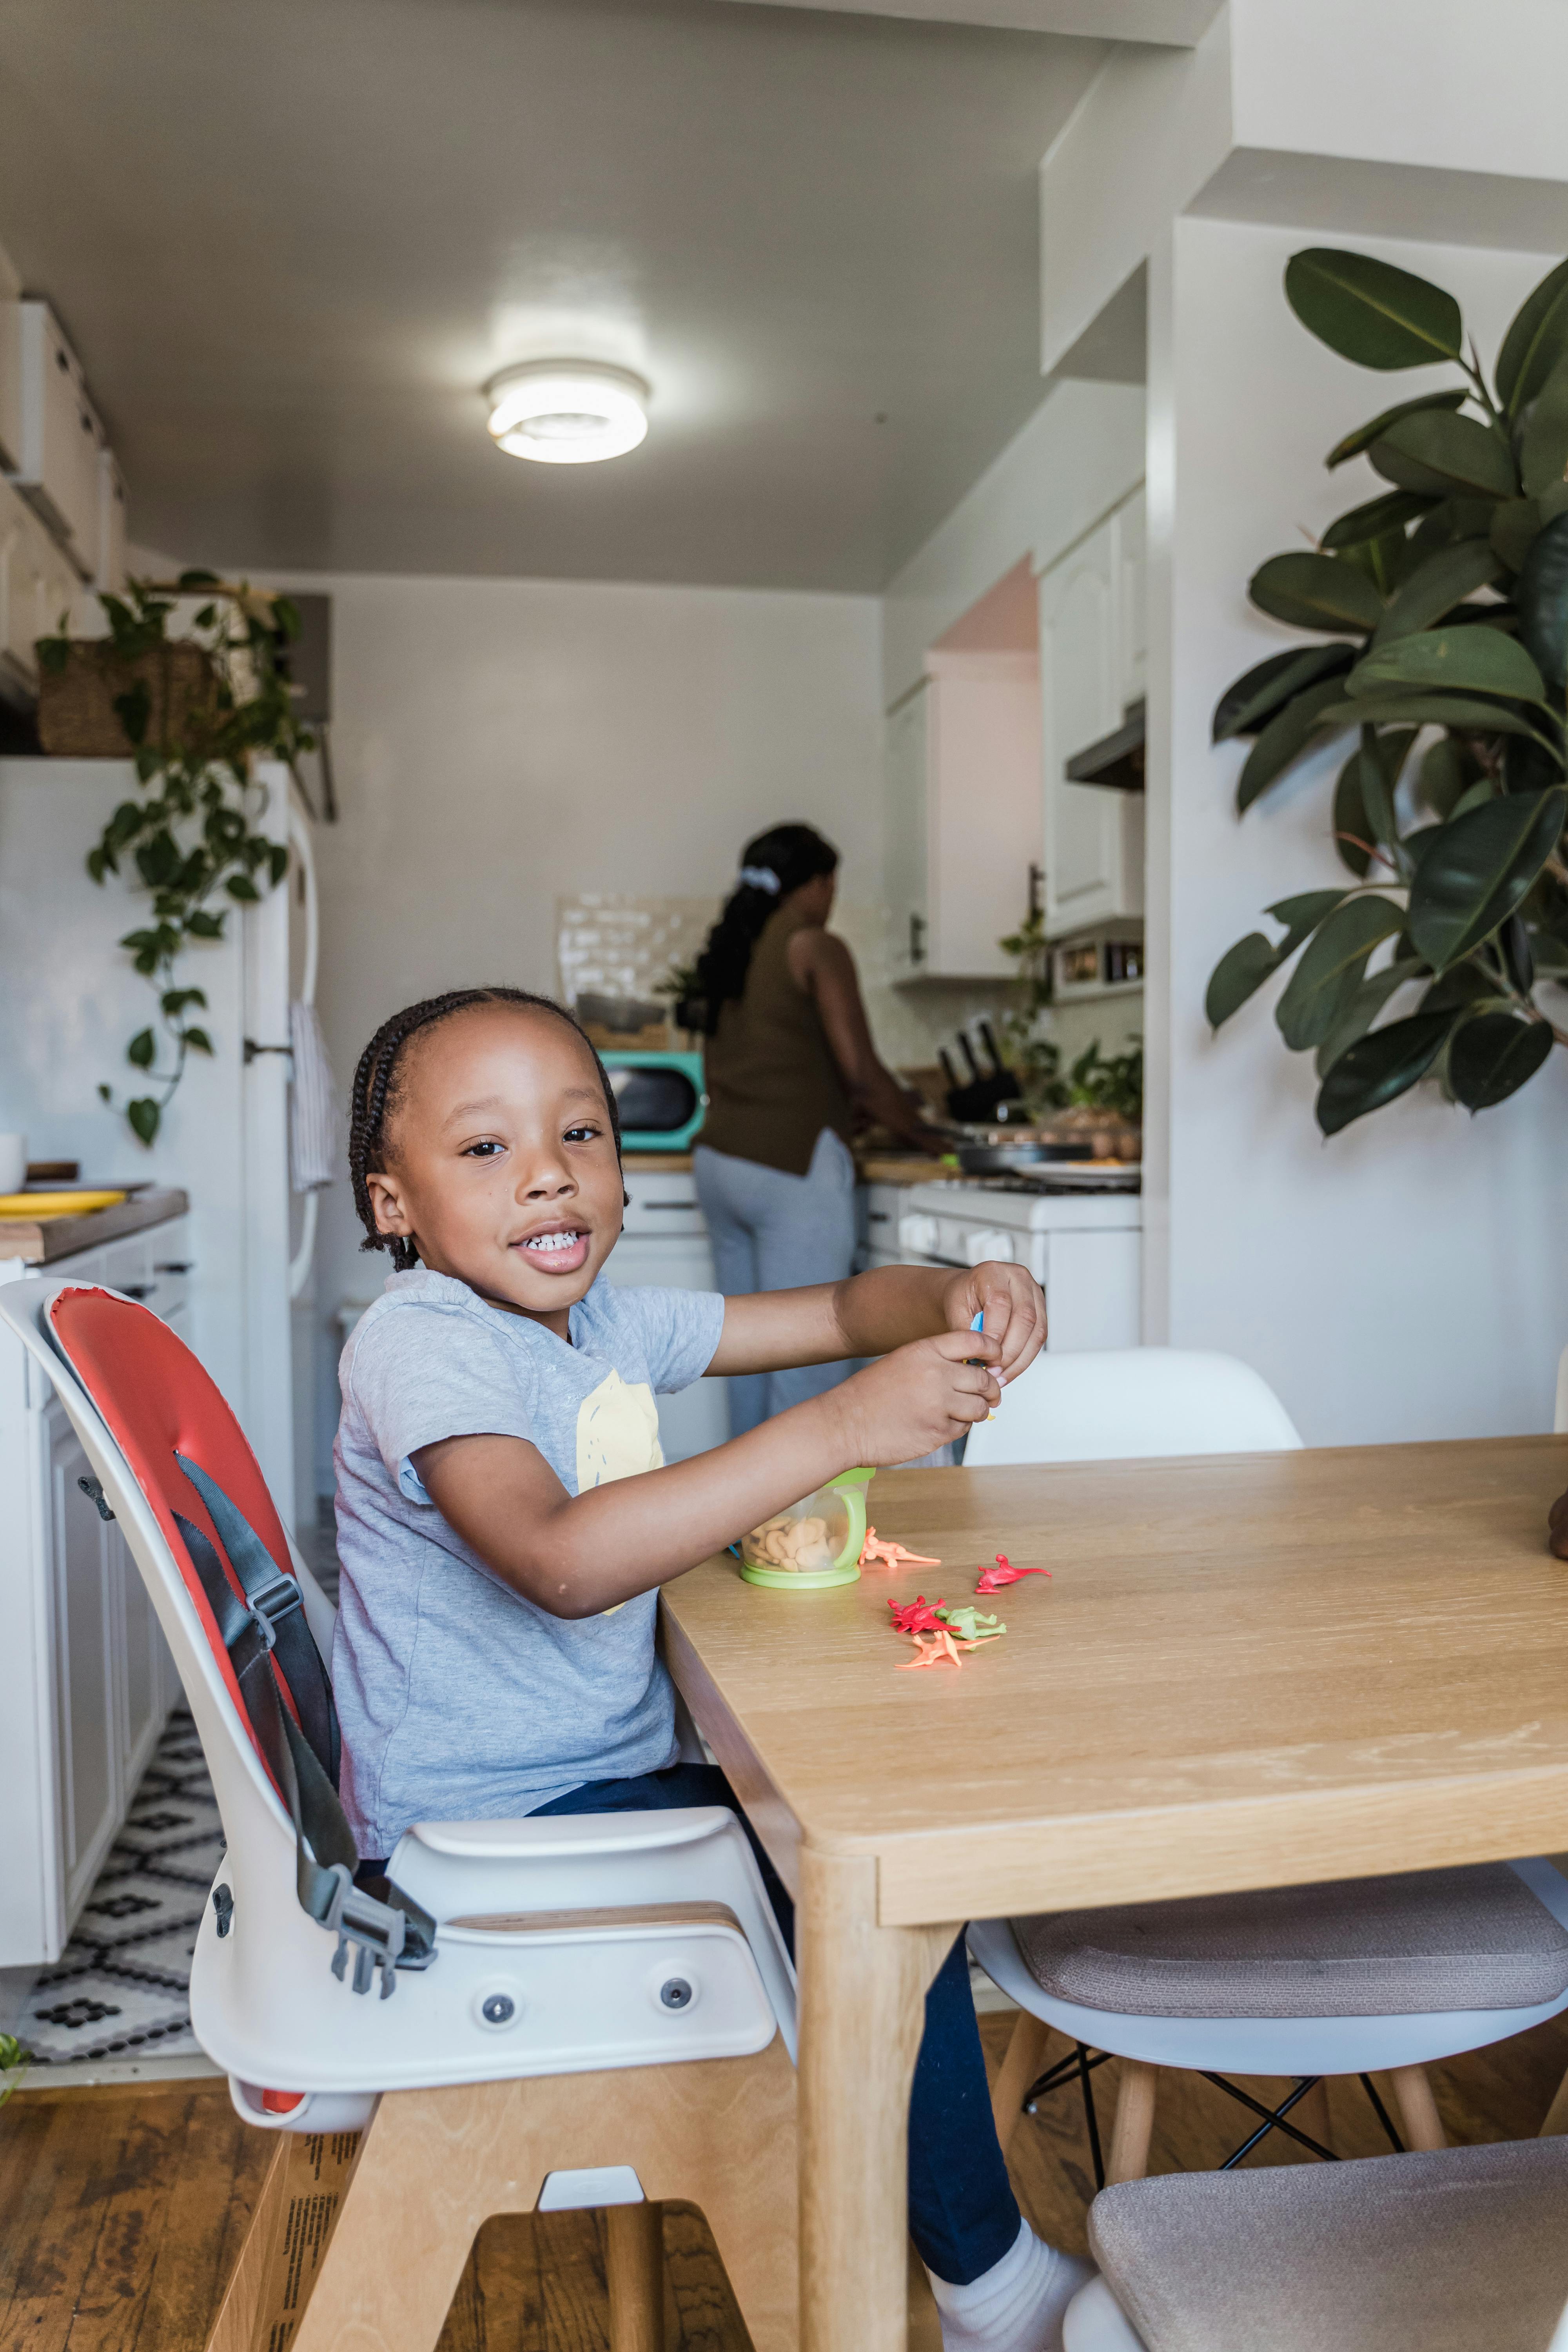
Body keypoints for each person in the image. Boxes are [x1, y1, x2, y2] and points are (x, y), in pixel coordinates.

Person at [333, 985, 1089, 2352]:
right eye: (487, 1148)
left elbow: (844, 1305)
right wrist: (849, 1425)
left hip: (588, 1794)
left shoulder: (600, 1323)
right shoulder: (424, 1344)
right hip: (485, 1844)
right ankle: (995, 2285)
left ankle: (969, 2253)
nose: (551, 1171)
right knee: (866, 1886)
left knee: (873, 1847)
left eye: (582, 1132)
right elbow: (559, 1557)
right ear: (395, 1206)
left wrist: (955, 1291)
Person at [688, 822, 947, 1436]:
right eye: (832, 882)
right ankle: (795, 1529)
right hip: (791, 1169)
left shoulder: (733, 949)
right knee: (808, 1352)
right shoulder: (814, 945)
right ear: (817, 883)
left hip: (720, 1165)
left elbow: (739, 1068)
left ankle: (743, 1527)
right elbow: (863, 1073)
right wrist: (931, 1138)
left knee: (741, 1356)